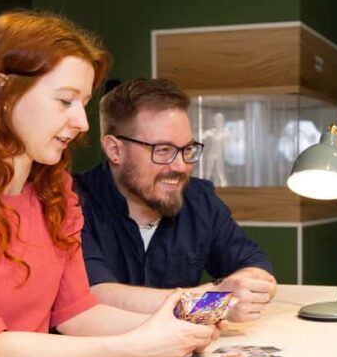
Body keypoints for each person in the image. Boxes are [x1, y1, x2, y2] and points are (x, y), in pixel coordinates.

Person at [0, 11, 216, 357]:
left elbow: (77, 314)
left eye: (83, 103)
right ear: (2, 91)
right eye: (65, 101)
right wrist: (142, 344)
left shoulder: (54, 193)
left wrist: (171, 327)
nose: (82, 123)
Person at [74, 78, 276, 322]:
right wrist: (213, 303)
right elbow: (93, 295)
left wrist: (247, 286)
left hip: (179, 353)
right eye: (163, 150)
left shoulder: (199, 198)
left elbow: (255, 264)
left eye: (187, 150)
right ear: (115, 150)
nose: (181, 166)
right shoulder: (72, 200)